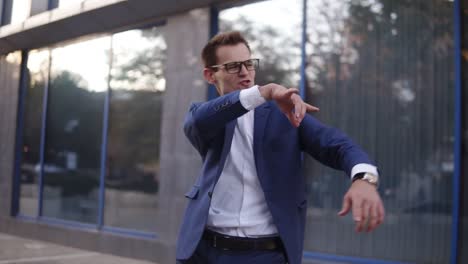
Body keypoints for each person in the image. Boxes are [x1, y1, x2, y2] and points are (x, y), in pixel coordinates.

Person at [176, 31, 385, 264]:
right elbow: (200, 120)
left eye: (248, 63)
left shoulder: (285, 115)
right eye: (233, 66)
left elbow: (336, 144)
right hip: (204, 253)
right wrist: (265, 92)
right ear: (210, 75)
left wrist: (364, 178)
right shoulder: (205, 117)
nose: (245, 72)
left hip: (266, 255)